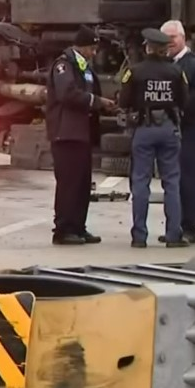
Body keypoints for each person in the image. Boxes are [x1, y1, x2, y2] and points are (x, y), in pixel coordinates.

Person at [119, 28, 190, 248]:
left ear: (148, 47)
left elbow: (123, 101)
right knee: (172, 182)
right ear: (163, 49)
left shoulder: (135, 72)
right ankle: (173, 235)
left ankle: (139, 236)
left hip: (144, 128)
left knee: (141, 182)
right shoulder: (176, 71)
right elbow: (185, 100)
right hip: (168, 129)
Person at [45, 25, 116, 245]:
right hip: (66, 134)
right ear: (82, 47)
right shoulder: (64, 65)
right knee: (69, 183)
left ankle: (78, 226)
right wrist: (97, 102)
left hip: (82, 134)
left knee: (82, 184)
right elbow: (67, 94)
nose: (94, 53)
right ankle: (63, 230)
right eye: (92, 49)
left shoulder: (84, 67)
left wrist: (102, 106)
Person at [158, 20, 195, 244]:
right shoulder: (165, 64)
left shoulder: (193, 65)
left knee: (190, 180)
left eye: (173, 37)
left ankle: (190, 228)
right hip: (171, 131)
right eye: (165, 38)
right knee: (173, 181)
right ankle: (174, 227)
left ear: (183, 38)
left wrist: (179, 110)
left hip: (191, 132)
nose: (169, 42)